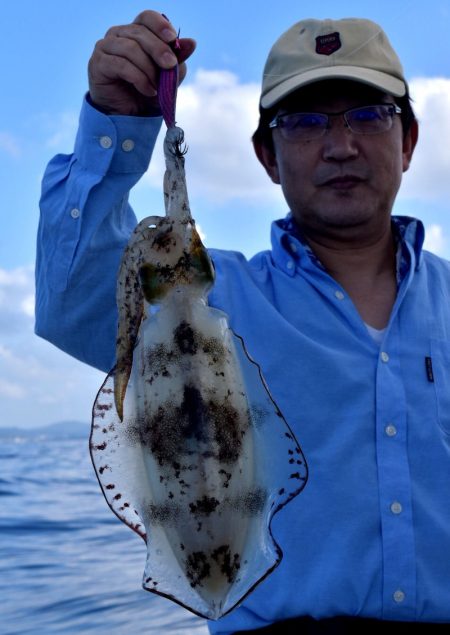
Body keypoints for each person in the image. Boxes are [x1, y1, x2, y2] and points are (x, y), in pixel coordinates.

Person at [35, 10, 450, 635]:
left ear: (409, 140)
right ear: (268, 156)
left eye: (369, 115)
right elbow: (73, 298)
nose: (341, 146)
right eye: (305, 122)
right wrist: (116, 125)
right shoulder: (208, 296)